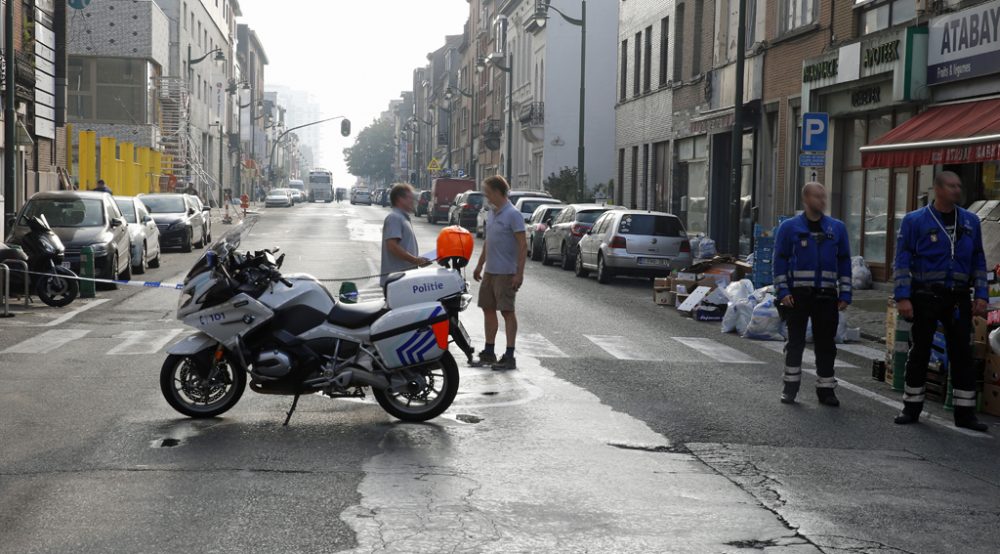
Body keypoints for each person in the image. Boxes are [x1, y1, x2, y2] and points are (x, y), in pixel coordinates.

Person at [893, 171, 989, 432]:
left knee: (962, 354)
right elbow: (901, 261)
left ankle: (965, 414)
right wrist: (902, 297)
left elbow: (979, 260)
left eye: (959, 185)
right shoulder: (915, 221)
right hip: (925, 295)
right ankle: (911, 407)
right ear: (937, 189)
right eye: (951, 185)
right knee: (920, 351)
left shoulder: (969, 221)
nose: (957, 189)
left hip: (958, 296)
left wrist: (981, 294)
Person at [773, 182, 852, 406]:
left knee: (826, 343)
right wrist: (783, 291)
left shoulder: (836, 228)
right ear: (806, 199)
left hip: (827, 294)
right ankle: (790, 387)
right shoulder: (789, 228)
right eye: (817, 196)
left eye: (823, 196)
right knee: (795, 342)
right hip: (798, 295)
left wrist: (845, 293)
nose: (822, 200)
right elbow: (779, 261)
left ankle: (826, 390)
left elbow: (844, 260)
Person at [473, 176, 527, 371]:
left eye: (488, 192)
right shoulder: (492, 213)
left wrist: (519, 273)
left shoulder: (513, 214)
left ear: (497, 192)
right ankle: (489, 352)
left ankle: (510, 355)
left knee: (507, 311)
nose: (486, 196)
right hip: (490, 271)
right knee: (488, 309)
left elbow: (522, 245)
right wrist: (480, 265)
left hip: (506, 272)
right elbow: (488, 242)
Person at [380, 183, 430, 287]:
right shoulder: (395, 217)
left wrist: (418, 260)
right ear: (400, 199)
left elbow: (404, 247)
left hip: (403, 280)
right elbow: (392, 246)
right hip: (396, 282)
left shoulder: (403, 218)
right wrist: (415, 260)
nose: (413, 201)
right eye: (409, 198)